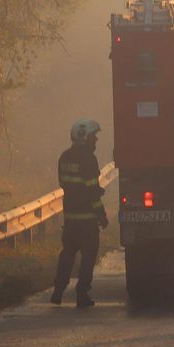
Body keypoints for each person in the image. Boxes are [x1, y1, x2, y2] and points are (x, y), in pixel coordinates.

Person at [52, 118, 109, 308]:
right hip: (87, 220)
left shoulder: (64, 157)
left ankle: (58, 291)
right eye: (94, 137)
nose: (96, 141)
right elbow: (92, 191)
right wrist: (101, 215)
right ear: (85, 137)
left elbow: (66, 184)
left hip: (70, 218)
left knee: (67, 254)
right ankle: (82, 294)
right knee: (88, 255)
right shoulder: (89, 159)